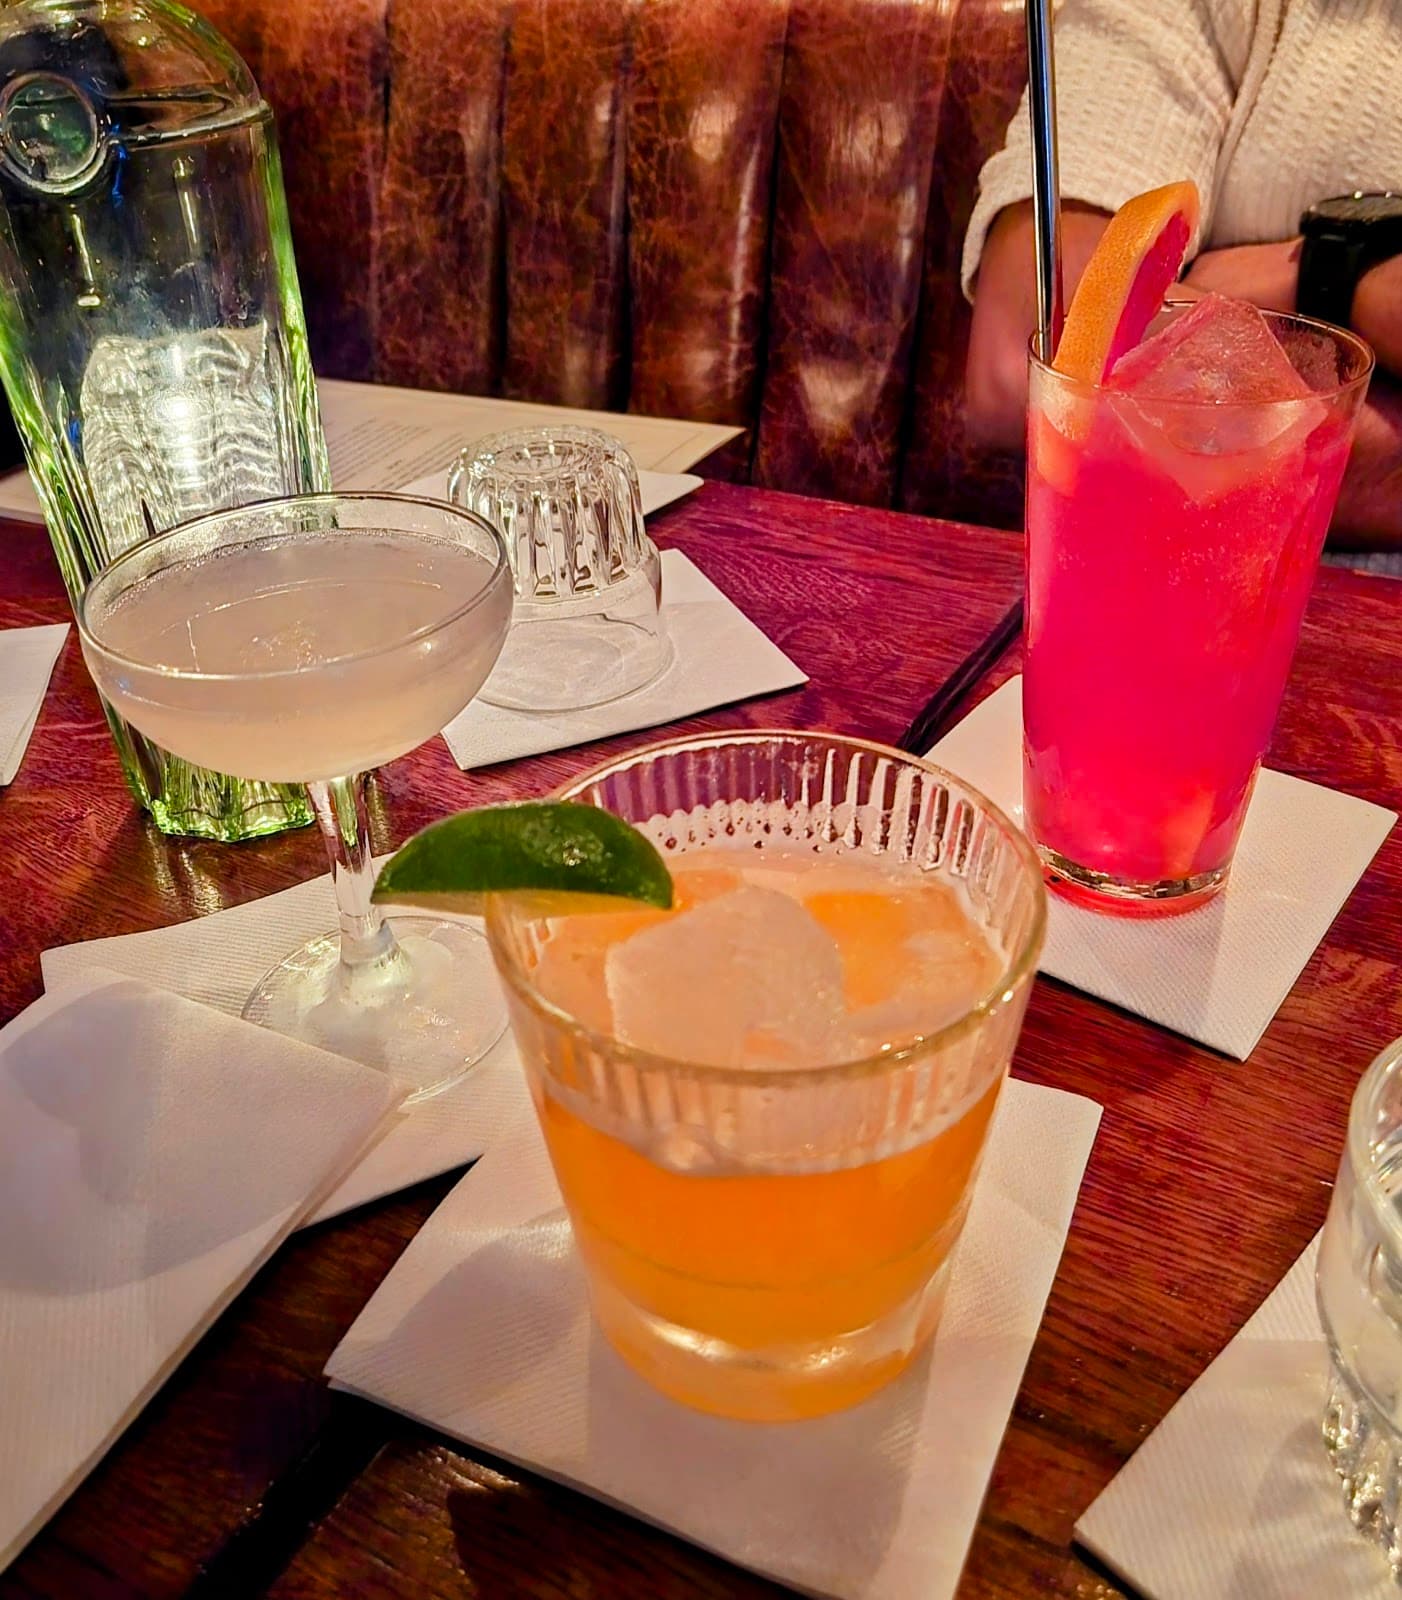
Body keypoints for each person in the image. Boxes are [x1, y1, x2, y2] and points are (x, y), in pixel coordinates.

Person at [962, 0, 1402, 552]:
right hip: (1183, 581)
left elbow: (1109, 323)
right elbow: (1040, 350)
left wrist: (1238, 280)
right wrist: (1343, 276)